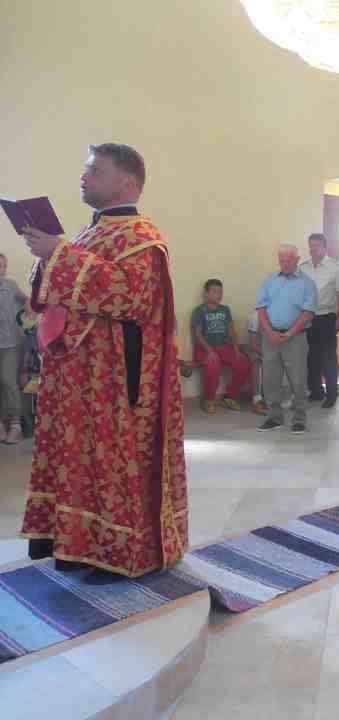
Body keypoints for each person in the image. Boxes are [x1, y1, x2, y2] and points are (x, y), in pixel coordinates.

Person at [19, 142, 187, 579]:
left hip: (113, 380)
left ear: (127, 183)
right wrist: (49, 256)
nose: (84, 176)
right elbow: (51, 294)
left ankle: (119, 552)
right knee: (74, 460)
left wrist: (59, 255)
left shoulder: (143, 238)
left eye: (95, 170)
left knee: (109, 465)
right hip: (73, 377)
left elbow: (129, 296)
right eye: (85, 169)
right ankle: (74, 545)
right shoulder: (85, 234)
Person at [255, 244, 317, 433]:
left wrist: (289, 333)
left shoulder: (307, 283)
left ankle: (299, 419)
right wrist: (269, 332)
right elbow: (261, 309)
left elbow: (308, 313)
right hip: (271, 337)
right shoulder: (270, 281)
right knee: (270, 380)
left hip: (295, 338)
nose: (285, 264)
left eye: (288, 261)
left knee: (298, 380)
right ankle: (274, 417)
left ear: (297, 260)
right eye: (281, 261)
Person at [300, 233, 339, 408]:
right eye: (311, 245)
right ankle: (316, 391)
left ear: (324, 247)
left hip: (327, 316)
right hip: (307, 317)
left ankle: (332, 393)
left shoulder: (335, 267)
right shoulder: (303, 267)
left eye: (317, 246)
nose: (313, 249)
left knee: (328, 356)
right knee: (311, 355)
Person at [191, 278, 251, 414]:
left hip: (223, 347)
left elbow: (232, 331)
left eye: (220, 292)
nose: (219, 295)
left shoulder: (225, 310)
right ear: (206, 293)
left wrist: (236, 349)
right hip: (204, 348)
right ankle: (209, 400)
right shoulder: (199, 311)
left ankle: (230, 396)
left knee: (243, 363)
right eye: (215, 292)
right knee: (213, 364)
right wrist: (210, 351)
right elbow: (197, 334)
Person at [0, 252, 27, 444]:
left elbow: (27, 301)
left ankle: (16, 425)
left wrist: (30, 317)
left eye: (1, 265)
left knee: (8, 381)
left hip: (10, 343)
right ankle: (1, 424)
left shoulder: (10, 286)